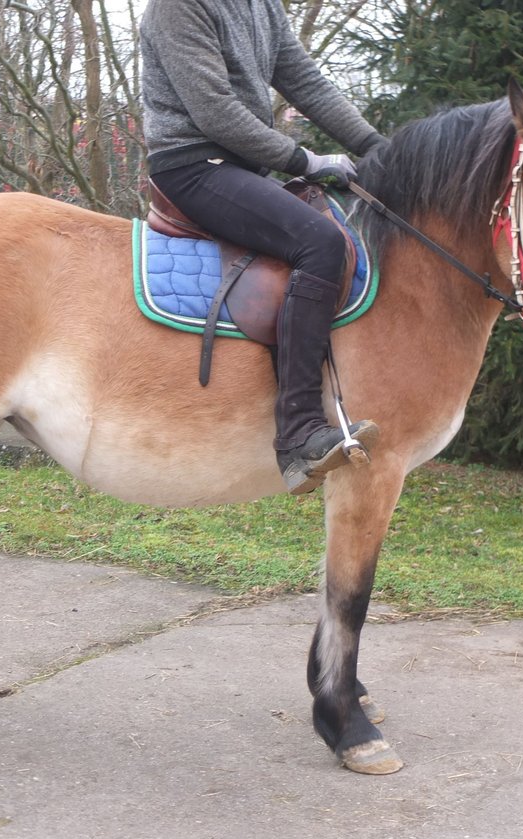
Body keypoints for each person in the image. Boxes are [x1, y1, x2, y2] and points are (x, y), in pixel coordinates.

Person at [140, 0, 387, 495]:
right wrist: (305, 160)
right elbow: (215, 112)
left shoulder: (261, 5)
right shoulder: (178, 7)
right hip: (192, 164)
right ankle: (298, 434)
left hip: (243, 167)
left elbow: (307, 82)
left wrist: (379, 147)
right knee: (319, 240)